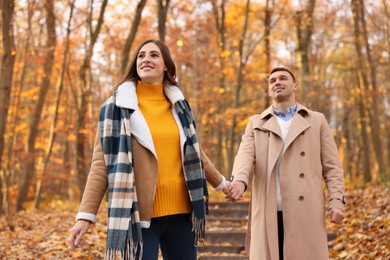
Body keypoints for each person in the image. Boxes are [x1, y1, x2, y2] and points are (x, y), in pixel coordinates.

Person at [68, 39, 229, 260]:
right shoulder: (117, 107)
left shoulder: (179, 105)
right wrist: (85, 216)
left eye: (154, 55)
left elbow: (193, 151)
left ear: (166, 66)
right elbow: (101, 165)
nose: (146, 59)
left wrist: (221, 183)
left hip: (182, 211)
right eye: (141, 55)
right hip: (138, 214)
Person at [224, 67, 345, 260]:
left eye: (283, 78)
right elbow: (245, 156)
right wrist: (239, 181)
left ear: (295, 86)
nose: (277, 82)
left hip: (306, 210)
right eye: (272, 81)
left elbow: (332, 167)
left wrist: (337, 200)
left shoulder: (316, 120)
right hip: (268, 210)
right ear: (269, 90)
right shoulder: (256, 123)